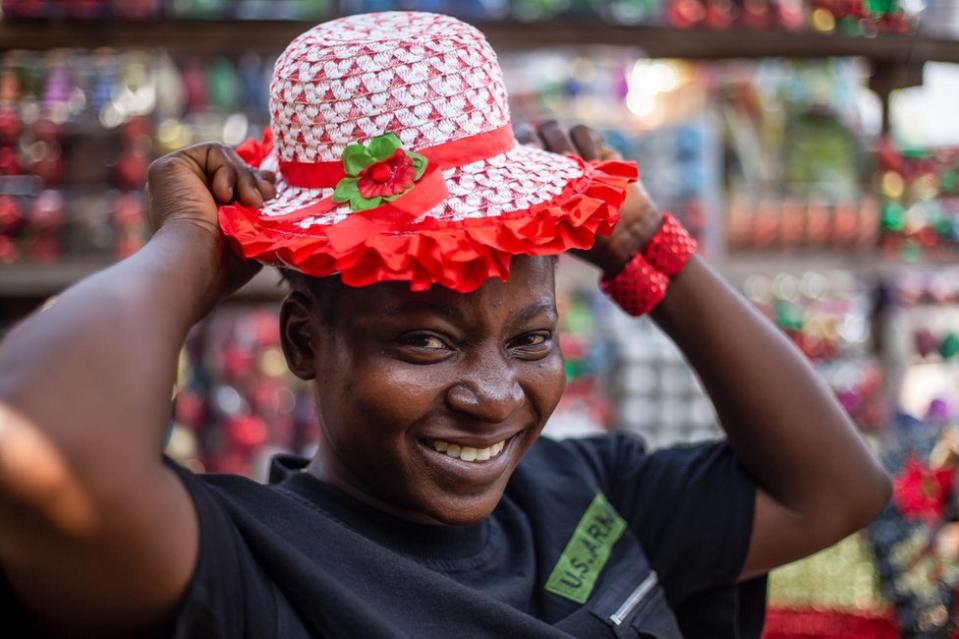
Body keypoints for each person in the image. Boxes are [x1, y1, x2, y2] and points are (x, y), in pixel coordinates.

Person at [0, 12, 889, 639]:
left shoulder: (589, 496)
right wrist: (190, 250)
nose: (495, 394)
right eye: (425, 341)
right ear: (304, 340)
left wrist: (646, 247)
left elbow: (835, 489)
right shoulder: (244, 566)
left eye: (531, 339)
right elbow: (36, 444)